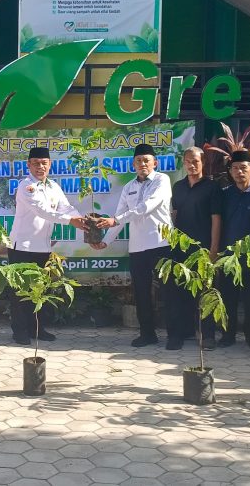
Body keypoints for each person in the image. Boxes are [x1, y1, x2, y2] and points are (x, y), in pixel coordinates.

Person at [6, 147, 88, 345]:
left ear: (50, 165)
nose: (40, 167)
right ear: (28, 165)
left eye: (44, 163)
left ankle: (37, 328)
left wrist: (79, 218)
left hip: (42, 247)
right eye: (35, 163)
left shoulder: (53, 186)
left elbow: (65, 207)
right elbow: (43, 211)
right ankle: (20, 331)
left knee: (40, 290)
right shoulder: (26, 186)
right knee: (20, 291)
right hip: (22, 247)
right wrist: (71, 221)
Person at [95, 144, 173, 348]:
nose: (142, 164)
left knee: (169, 291)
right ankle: (147, 334)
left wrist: (116, 219)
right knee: (141, 292)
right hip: (138, 247)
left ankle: (175, 335)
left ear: (155, 163)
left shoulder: (162, 180)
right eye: (138, 161)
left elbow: (147, 207)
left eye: (146, 160)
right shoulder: (128, 187)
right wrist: (105, 241)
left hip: (161, 243)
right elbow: (118, 218)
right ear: (133, 164)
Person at [167, 147, 221, 350]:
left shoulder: (212, 187)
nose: (191, 165)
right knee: (179, 293)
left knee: (205, 292)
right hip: (180, 249)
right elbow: (174, 214)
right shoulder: (178, 186)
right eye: (188, 161)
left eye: (195, 161)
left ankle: (207, 335)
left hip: (203, 249)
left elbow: (216, 219)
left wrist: (214, 249)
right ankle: (179, 335)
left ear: (203, 162)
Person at [213, 150, 250, 350]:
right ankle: (228, 336)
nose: (238, 172)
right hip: (228, 257)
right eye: (234, 168)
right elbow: (218, 224)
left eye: (243, 168)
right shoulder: (225, 194)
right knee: (228, 298)